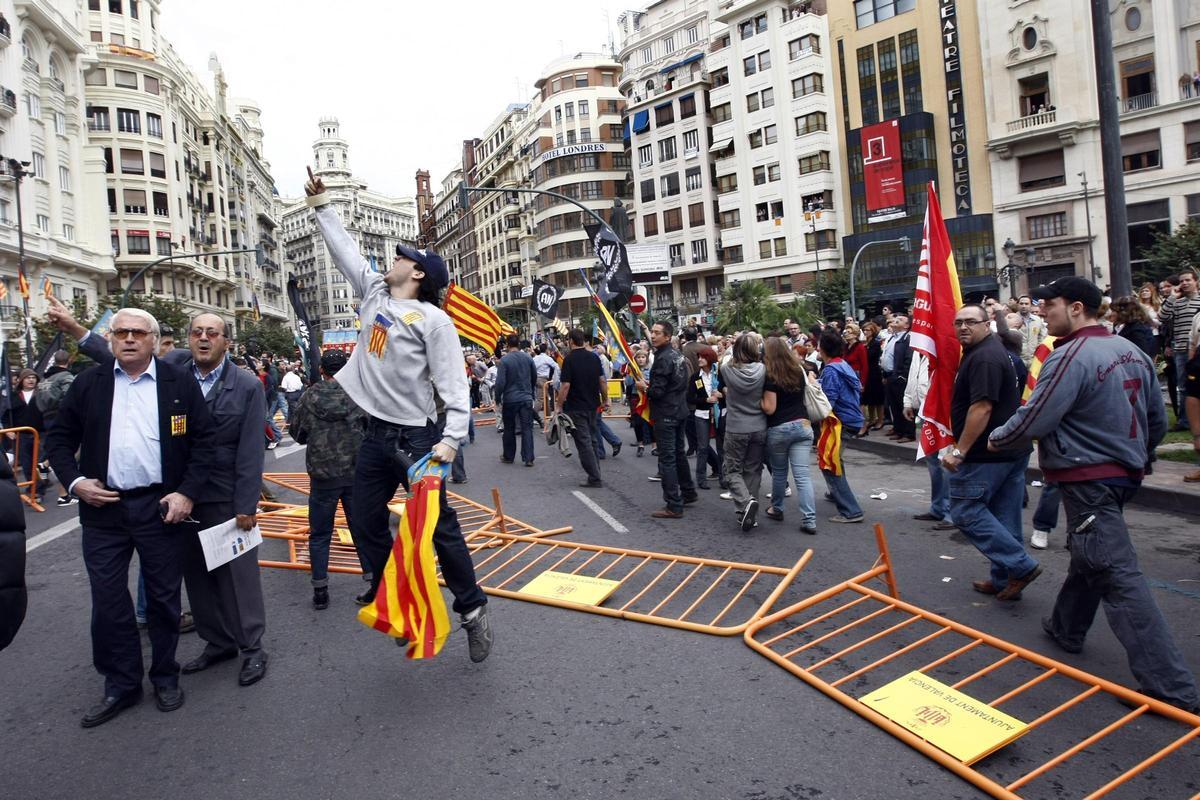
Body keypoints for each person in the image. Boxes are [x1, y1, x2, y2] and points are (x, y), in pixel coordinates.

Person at [305, 167, 492, 663]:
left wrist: (450, 441)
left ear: (418, 272)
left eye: (400, 257)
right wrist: (323, 207)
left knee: (439, 527)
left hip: (416, 441)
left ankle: (472, 610)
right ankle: (400, 601)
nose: (390, 260)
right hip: (374, 437)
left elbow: (455, 389)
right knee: (363, 520)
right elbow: (345, 250)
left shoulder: (433, 320)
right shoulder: (374, 296)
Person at [989, 276, 1198, 713]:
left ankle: (1170, 686)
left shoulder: (1070, 356)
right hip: (1123, 473)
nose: (1043, 312)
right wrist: (1137, 456)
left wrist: (997, 439)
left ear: (1078, 308)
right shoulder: (1133, 353)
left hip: (1088, 477)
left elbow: (1035, 417)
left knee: (1116, 574)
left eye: (1051, 304)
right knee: (1093, 553)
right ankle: (1066, 628)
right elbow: (1157, 419)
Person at [70, 309, 272, 687]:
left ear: (226, 341)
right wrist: (76, 329)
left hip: (224, 499)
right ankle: (218, 642)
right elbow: (121, 355)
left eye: (213, 333)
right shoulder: (174, 370)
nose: (204, 338)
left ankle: (251, 647)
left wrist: (247, 505)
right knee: (196, 578)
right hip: (177, 500)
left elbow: (249, 451)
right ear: (187, 338)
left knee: (236, 578)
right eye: (197, 331)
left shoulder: (246, 384)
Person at [44, 308, 215, 727]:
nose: (130, 338)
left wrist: (186, 493)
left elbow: (206, 443)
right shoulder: (90, 383)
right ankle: (120, 683)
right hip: (104, 508)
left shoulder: (179, 384)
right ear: (111, 340)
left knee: (162, 598)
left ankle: (164, 675)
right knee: (108, 601)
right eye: (121, 332)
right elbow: (59, 439)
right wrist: (76, 481)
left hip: (161, 508)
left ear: (154, 340)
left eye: (139, 332)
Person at [942, 303, 1039, 602]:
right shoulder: (993, 352)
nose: (963, 327)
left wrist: (960, 450)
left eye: (971, 322)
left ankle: (1020, 567)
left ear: (987, 324)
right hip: (1009, 449)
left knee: (965, 511)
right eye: (958, 323)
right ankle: (1005, 579)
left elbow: (982, 407)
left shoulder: (985, 357)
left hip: (988, 453)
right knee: (1004, 517)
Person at [290, 348, 370, 609]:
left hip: (323, 474)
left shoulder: (309, 396)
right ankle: (372, 581)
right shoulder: (358, 394)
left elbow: (297, 433)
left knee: (320, 534)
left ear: (322, 370)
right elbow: (371, 429)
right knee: (361, 529)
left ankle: (320, 589)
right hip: (354, 472)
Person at [637, 319, 697, 519]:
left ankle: (673, 504)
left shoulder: (664, 358)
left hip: (667, 414)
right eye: (651, 332)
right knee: (678, 454)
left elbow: (657, 392)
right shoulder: (675, 354)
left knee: (668, 458)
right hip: (679, 411)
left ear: (667, 336)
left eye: (656, 333)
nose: (652, 335)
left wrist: (644, 388)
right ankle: (688, 492)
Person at [761, 336, 817, 534]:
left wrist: (757, 401)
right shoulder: (798, 370)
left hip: (779, 428)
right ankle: (809, 520)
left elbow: (770, 408)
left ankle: (777, 508)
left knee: (779, 473)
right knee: (803, 477)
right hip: (802, 425)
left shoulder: (770, 375)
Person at [816, 330, 865, 523]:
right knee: (834, 460)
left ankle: (850, 510)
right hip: (850, 419)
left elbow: (827, 403)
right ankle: (836, 491)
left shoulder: (831, 370)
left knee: (829, 462)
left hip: (840, 422)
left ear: (823, 349)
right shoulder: (841, 365)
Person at [903, 351, 955, 531]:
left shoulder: (947, 348)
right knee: (932, 461)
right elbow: (913, 376)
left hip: (944, 412)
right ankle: (937, 508)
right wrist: (908, 401)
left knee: (946, 462)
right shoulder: (920, 348)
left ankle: (950, 513)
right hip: (927, 412)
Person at [719, 332, 766, 531]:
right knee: (753, 469)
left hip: (737, 426)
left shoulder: (727, 369)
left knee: (732, 470)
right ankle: (749, 513)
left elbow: (725, 359)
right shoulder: (763, 370)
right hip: (759, 425)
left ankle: (746, 503)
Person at [557, 328, 607, 488]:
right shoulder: (594, 357)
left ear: (571, 341)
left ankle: (594, 477)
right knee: (592, 440)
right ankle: (596, 472)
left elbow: (565, 385)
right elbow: (602, 381)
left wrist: (558, 405)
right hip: (593, 405)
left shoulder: (569, 360)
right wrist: (605, 400)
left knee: (584, 442)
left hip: (576, 407)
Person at [1159, 267, 1200, 430]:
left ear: (1196, 281)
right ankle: (1184, 421)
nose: (1184, 283)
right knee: (1183, 386)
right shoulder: (1177, 301)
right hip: (1181, 348)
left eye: (1188, 280)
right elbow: (1162, 317)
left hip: (1198, 348)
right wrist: (1171, 298)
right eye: (1182, 280)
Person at [35, 350, 77, 507]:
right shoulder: (65, 377)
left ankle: (46, 467)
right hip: (62, 416)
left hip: (46, 417)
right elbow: (71, 396)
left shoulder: (44, 380)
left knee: (55, 447)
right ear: (69, 361)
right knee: (69, 449)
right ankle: (46, 465)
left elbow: (37, 402)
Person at [494, 333, 537, 467]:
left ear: (507, 344)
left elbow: (500, 382)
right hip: (526, 397)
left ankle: (508, 456)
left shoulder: (504, 361)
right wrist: (531, 392)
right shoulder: (528, 358)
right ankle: (528, 457)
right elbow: (534, 376)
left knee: (509, 428)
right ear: (518, 344)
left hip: (510, 398)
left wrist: (497, 398)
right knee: (527, 428)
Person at [689, 346, 722, 490]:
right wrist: (705, 401)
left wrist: (722, 395)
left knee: (722, 448)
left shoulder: (719, 375)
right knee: (702, 447)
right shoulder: (696, 377)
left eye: (703, 357)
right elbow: (689, 398)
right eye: (699, 357)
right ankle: (701, 478)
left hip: (719, 414)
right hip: (701, 414)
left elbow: (728, 391)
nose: (700, 359)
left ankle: (724, 477)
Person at [8, 369, 43, 497]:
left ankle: (39, 485)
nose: (31, 380)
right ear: (21, 380)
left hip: (40, 433)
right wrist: (8, 430)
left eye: (33, 377)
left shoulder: (41, 393)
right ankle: (35, 488)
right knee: (27, 463)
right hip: (21, 434)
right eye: (28, 377)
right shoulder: (14, 396)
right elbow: (6, 414)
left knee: (39, 462)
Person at [882, 314, 914, 442]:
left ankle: (908, 433)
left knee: (903, 405)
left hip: (899, 377)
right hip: (889, 376)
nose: (896, 320)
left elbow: (908, 358)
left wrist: (902, 375)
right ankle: (898, 429)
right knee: (894, 405)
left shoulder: (908, 339)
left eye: (900, 320)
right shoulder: (891, 338)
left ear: (906, 325)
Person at [625, 349, 654, 456]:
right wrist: (631, 373)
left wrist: (645, 383)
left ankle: (654, 446)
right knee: (638, 422)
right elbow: (627, 383)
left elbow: (654, 383)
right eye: (638, 357)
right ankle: (640, 444)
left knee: (650, 421)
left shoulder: (651, 370)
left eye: (643, 357)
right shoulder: (632, 369)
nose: (641, 359)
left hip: (647, 397)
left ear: (646, 359)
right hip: (635, 397)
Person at [1016, 295, 1045, 365]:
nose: (1024, 306)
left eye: (1026, 304)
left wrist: (1038, 351)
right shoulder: (1012, 319)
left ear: (1031, 305)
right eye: (1021, 303)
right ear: (1018, 305)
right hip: (1018, 359)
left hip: (1034, 359)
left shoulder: (1037, 320)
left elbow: (1042, 337)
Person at [280, 363, 304, 431]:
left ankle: (299, 424)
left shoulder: (286, 377)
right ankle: (289, 422)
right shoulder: (296, 376)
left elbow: (284, 387)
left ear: (286, 370)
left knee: (294, 410)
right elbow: (301, 385)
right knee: (291, 409)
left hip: (290, 394)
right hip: (298, 393)